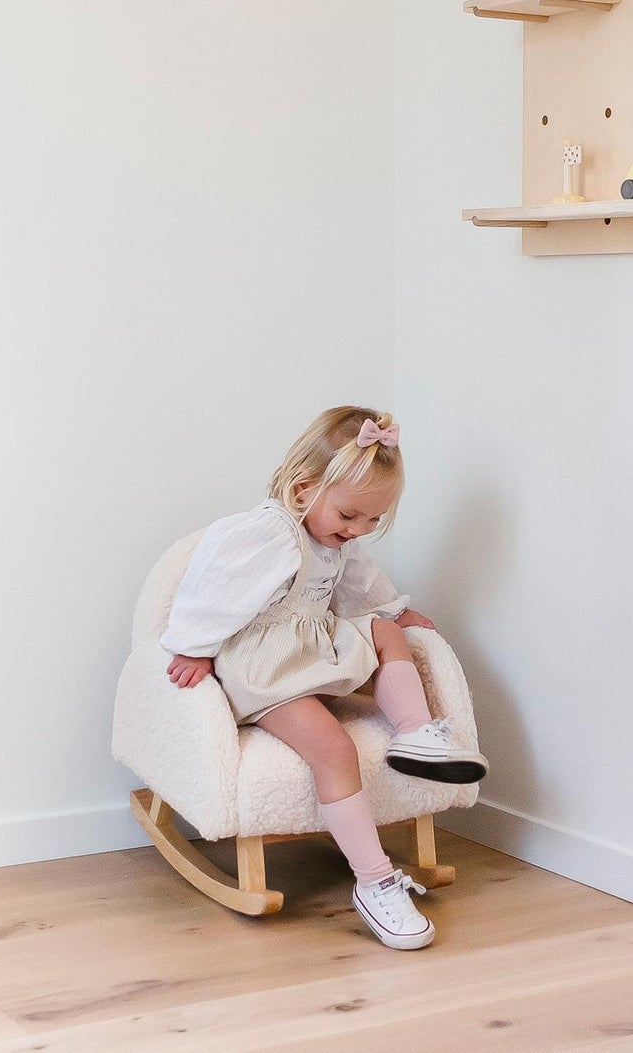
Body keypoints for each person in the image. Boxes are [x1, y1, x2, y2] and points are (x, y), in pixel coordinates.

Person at [160, 405, 487, 950]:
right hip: (269, 670)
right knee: (334, 749)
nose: (357, 531)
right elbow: (211, 586)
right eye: (350, 517)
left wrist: (396, 611)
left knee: (386, 632)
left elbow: (363, 589)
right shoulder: (269, 533)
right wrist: (194, 648)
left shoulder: (337, 540)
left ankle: (417, 732)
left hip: (313, 649)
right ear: (303, 489)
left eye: (372, 522)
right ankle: (375, 881)